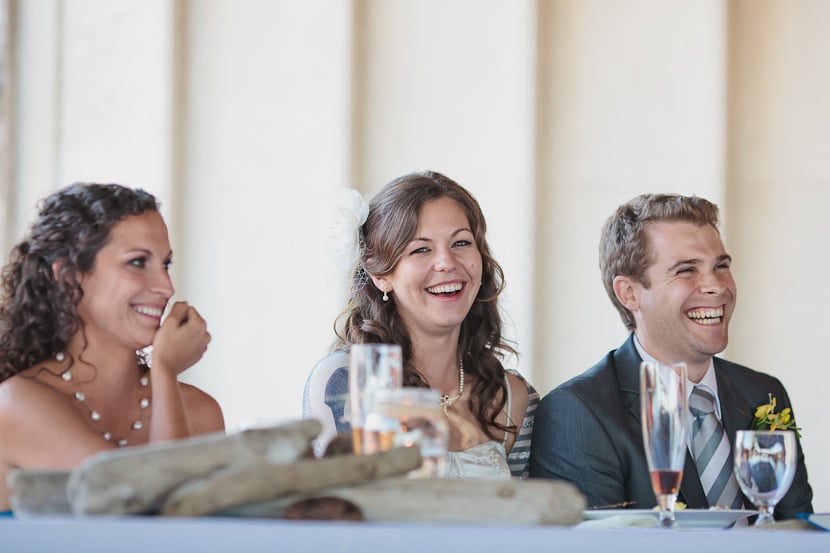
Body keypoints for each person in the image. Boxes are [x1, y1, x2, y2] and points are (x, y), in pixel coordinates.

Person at [529, 193, 813, 518]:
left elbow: (796, 528)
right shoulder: (578, 412)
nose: (716, 286)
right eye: (686, 270)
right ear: (630, 293)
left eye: (721, 266)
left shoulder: (763, 393)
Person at [0, 183, 225, 513]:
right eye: (137, 263)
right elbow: (146, 523)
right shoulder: (15, 404)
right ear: (69, 276)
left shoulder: (200, 412)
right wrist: (164, 367)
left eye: (165, 264)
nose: (166, 287)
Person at [303, 171, 538, 478]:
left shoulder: (514, 396)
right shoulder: (343, 381)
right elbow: (337, 514)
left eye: (462, 243)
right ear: (380, 275)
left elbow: (532, 520)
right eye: (421, 249)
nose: (447, 262)